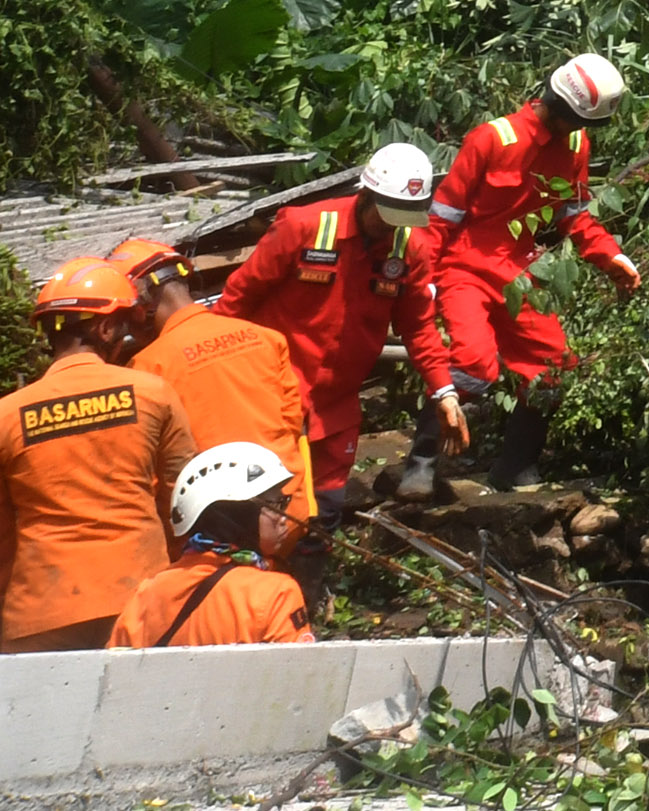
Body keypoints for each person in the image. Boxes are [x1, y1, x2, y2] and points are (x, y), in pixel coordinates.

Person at [400, 53, 642, 499]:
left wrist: (612, 258)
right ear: (565, 110)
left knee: (553, 369)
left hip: (523, 274)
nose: (581, 131)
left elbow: (575, 217)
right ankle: (421, 463)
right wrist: (425, 283)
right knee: (473, 365)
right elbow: (441, 219)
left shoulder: (575, 147)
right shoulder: (492, 139)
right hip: (465, 269)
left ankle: (515, 467)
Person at [212, 142, 435, 515]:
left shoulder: (409, 249)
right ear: (365, 194)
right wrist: (212, 367)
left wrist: (443, 391)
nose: (391, 227)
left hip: (336, 406)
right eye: (385, 215)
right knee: (263, 508)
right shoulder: (303, 226)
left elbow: (419, 326)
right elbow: (237, 299)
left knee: (326, 511)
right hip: (271, 395)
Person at [0, 259, 195, 652]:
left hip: (40, 613)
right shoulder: (152, 392)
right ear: (105, 328)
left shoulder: (6, 415)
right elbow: (184, 500)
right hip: (141, 600)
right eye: (124, 327)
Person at [107, 236, 313, 522]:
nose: (125, 325)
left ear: (142, 302)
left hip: (215, 527)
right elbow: (292, 424)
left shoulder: (146, 368)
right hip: (287, 511)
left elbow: (153, 468)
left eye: (125, 314)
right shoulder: (266, 338)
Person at [109, 443, 310, 649]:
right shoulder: (277, 593)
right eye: (276, 504)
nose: (284, 517)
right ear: (240, 515)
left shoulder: (146, 596)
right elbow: (298, 676)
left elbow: (115, 674)